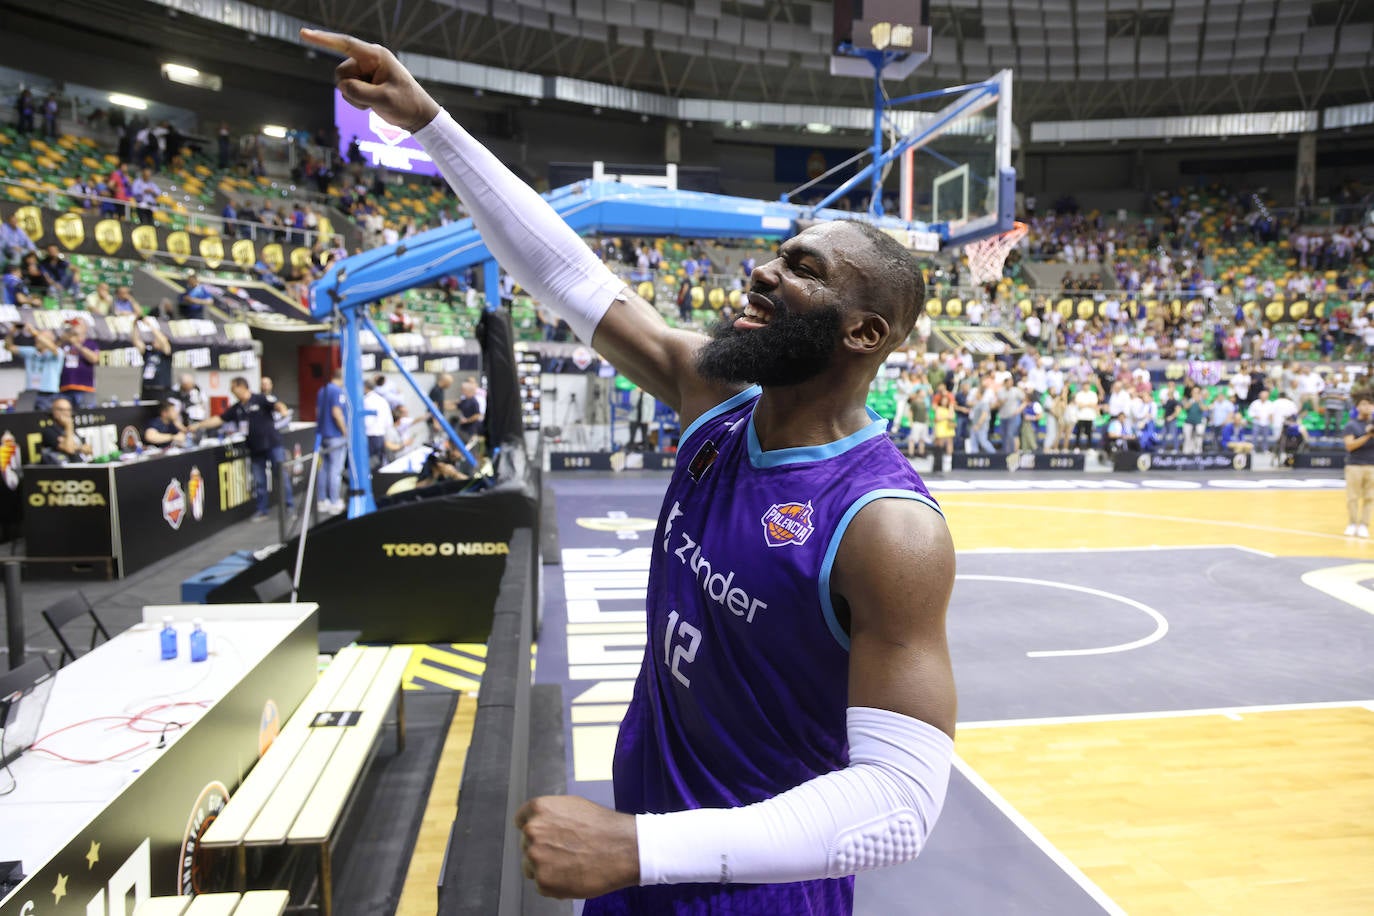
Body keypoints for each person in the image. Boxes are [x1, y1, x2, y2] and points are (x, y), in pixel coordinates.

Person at [304, 30, 955, 912]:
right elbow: (570, 276)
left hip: (747, 890)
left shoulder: (887, 526)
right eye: (777, 253)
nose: (763, 271)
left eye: (803, 269)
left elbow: (900, 806)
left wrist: (638, 845)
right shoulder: (715, 397)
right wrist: (430, 124)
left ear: (864, 333)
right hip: (641, 858)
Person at [194, 377, 292, 521]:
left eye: (233, 388)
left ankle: (289, 506)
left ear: (241, 387)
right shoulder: (237, 408)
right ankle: (262, 510)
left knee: (281, 475)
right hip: (255, 448)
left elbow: (276, 405)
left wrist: (283, 409)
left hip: (272, 444)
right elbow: (219, 419)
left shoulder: (259, 399)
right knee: (259, 481)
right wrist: (198, 425)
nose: (231, 391)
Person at [5, 323, 63, 410]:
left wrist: (35, 332)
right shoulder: (31, 351)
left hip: (48, 393)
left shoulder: (57, 352)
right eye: (37, 338)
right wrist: (11, 333)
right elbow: (8, 347)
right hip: (30, 393)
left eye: (41, 338)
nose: (37, 339)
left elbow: (53, 349)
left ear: (50, 340)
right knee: (23, 418)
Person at [315, 368, 349, 513]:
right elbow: (337, 412)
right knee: (335, 470)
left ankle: (322, 500)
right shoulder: (337, 391)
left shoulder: (322, 390)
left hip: (323, 435)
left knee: (324, 469)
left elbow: (317, 411)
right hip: (336, 436)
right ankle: (334, 501)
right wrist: (345, 432)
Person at [1342, 393, 1374, 538]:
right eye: (1363, 404)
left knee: (1370, 497)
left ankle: (1364, 525)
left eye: (1369, 404)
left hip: (1372, 466)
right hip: (1354, 465)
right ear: (1357, 407)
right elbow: (1350, 446)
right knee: (1352, 497)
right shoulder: (1351, 425)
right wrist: (1367, 435)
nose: (1366, 407)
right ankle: (1352, 523)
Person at [58, 321, 100, 409]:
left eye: (77, 325)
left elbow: (94, 359)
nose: (74, 327)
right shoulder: (65, 344)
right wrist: (62, 339)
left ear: (84, 329)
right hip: (64, 389)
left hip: (85, 388)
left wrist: (77, 344)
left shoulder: (90, 343)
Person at [132, 318, 175, 403]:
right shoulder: (148, 352)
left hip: (161, 390)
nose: (154, 340)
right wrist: (135, 325)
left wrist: (150, 326)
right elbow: (136, 341)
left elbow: (163, 342)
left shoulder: (166, 354)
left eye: (157, 340)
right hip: (147, 389)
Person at [40, 397, 91, 464]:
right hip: (64, 469)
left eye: (68, 410)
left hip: (82, 464)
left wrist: (77, 447)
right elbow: (69, 449)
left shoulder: (74, 430)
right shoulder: (49, 431)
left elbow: (89, 450)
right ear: (53, 411)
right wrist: (69, 426)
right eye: (61, 410)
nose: (66, 413)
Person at [456, 376, 484, 447]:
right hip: (465, 427)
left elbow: (478, 414)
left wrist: (467, 420)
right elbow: (457, 405)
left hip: (473, 427)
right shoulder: (465, 399)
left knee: (470, 445)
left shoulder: (476, 399)